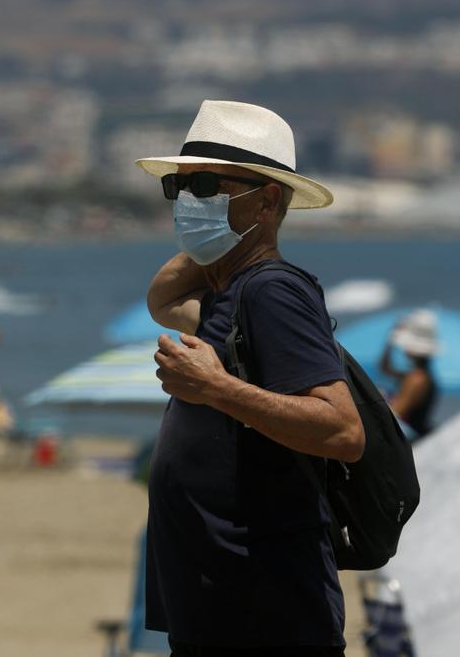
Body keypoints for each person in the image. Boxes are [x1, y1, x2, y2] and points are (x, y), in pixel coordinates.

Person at [138, 101, 365, 656]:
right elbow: (163, 300)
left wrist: (216, 389)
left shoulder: (273, 292)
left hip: (265, 614)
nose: (191, 201)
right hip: (220, 607)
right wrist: (210, 238)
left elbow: (342, 431)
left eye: (210, 185)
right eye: (180, 187)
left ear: (266, 198)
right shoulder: (233, 292)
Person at [378, 309, 440, 439]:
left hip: (415, 439)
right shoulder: (419, 375)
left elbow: (396, 411)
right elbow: (385, 368)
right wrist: (390, 343)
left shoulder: (417, 379)